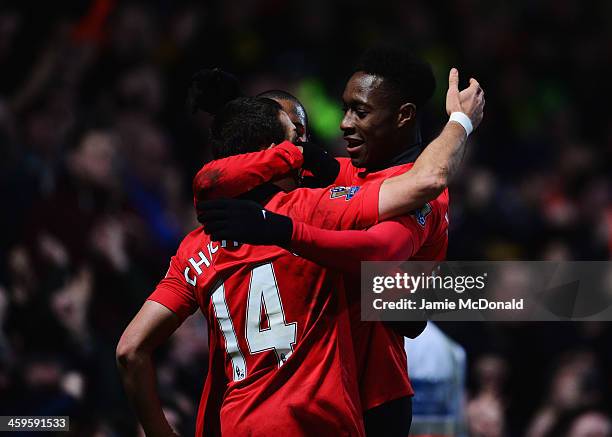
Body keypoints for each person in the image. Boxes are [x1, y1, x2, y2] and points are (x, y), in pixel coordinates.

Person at [195, 45, 484, 436]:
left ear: (403, 116)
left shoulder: (422, 198)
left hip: (373, 397)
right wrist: (238, 113)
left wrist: (459, 123)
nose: (345, 123)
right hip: (316, 393)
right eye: (345, 108)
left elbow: (381, 254)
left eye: (360, 112)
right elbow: (280, 155)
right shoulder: (347, 174)